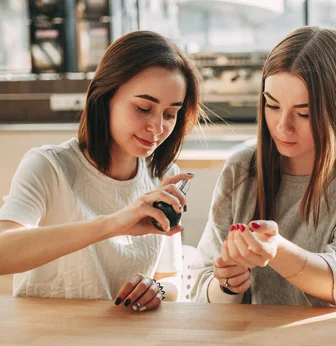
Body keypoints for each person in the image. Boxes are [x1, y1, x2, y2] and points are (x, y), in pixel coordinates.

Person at [185, 26, 336, 307]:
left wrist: (276, 251)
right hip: (248, 343)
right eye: (272, 106)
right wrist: (227, 285)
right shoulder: (242, 167)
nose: (283, 127)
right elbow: (198, 291)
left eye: (304, 113)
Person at [0, 31, 202, 311]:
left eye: (170, 114)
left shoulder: (162, 174)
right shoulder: (48, 166)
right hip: (45, 341)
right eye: (144, 108)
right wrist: (113, 225)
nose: (157, 128)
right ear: (105, 97)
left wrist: (154, 289)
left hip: (122, 340)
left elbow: (171, 279)